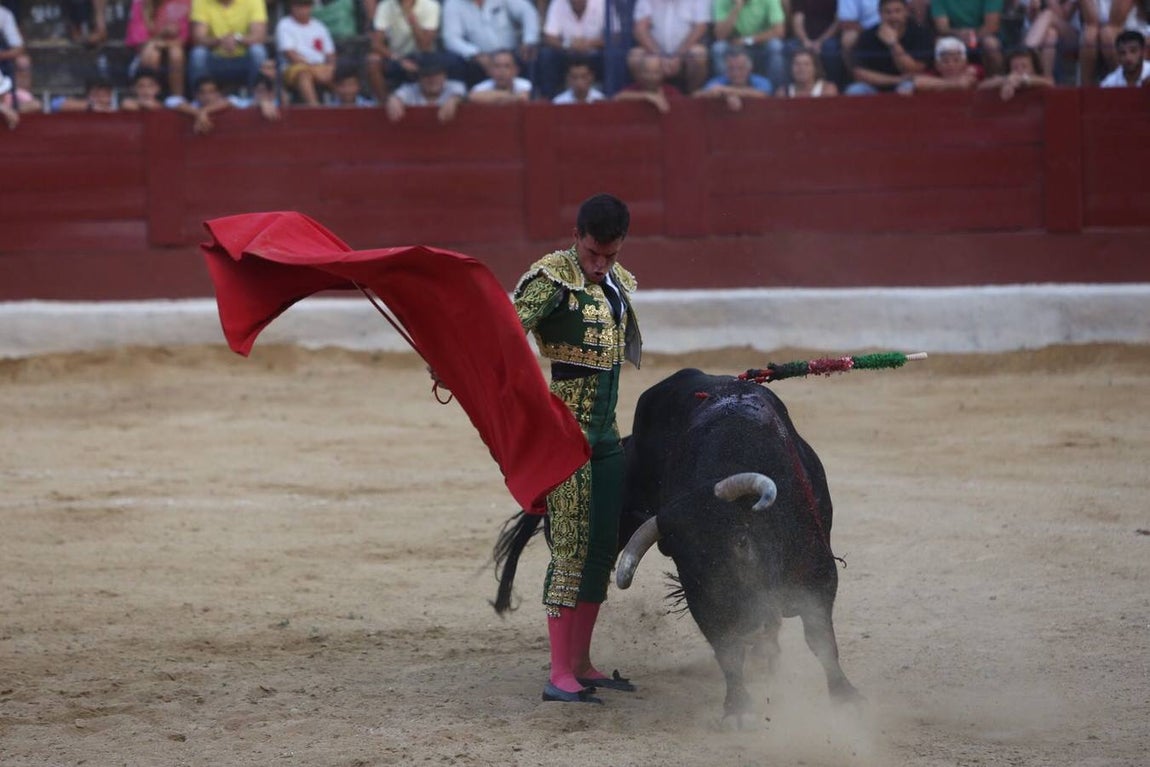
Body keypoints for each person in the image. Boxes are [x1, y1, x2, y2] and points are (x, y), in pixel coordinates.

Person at [511, 193, 640, 704]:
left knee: (600, 550)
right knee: (568, 550)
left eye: (609, 255)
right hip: (564, 437)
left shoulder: (619, 284)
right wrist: (460, 364)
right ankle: (558, 672)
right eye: (592, 254)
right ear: (576, 236)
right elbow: (503, 330)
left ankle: (583, 662)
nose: (599, 264)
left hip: (606, 437)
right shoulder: (551, 279)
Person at [441, 0, 541, 87]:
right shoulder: (452, 4)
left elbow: (528, 12)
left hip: (512, 52)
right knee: (454, 61)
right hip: (478, 57)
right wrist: (475, 54)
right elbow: (451, 39)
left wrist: (529, 41)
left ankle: (536, 98)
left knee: (534, 55)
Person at [846, 0, 933, 94]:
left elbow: (914, 70)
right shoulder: (868, 36)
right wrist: (897, 80)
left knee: (908, 88)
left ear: (906, 12)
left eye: (898, 11)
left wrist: (893, 44)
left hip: (907, 85)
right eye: (888, 12)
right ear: (880, 14)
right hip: (876, 85)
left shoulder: (920, 34)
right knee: (855, 90)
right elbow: (859, 73)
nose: (893, 17)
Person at [365, 0, 441, 103]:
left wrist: (411, 18)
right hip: (396, 56)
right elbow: (376, 43)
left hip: (424, 57)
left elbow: (424, 46)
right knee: (373, 61)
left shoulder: (431, 5)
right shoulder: (385, 6)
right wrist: (398, 59)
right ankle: (385, 104)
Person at [628, 0, 710, 94]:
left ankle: (693, 98)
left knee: (699, 54)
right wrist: (660, 56)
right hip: (654, 53)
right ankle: (646, 97)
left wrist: (679, 55)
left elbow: (700, 28)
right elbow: (640, 29)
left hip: (685, 53)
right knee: (635, 56)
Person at [188, 0, 269, 91]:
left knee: (258, 51)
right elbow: (198, 38)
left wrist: (237, 39)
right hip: (214, 58)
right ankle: (199, 100)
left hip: (244, 58)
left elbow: (260, 36)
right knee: (198, 53)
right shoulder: (201, 1)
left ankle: (255, 98)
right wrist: (219, 41)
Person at [536, 0, 607, 99]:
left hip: (594, 52)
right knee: (546, 55)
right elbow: (549, 36)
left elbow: (615, 35)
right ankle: (549, 100)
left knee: (612, 57)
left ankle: (610, 99)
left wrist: (589, 43)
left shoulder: (601, 3)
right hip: (568, 52)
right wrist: (568, 45)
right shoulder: (558, 3)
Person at [710, 0, 787, 89]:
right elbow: (720, 35)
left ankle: (776, 91)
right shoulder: (722, 1)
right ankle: (724, 89)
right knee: (718, 48)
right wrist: (737, 7)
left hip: (760, 44)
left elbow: (779, 31)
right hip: (734, 46)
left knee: (776, 46)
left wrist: (747, 40)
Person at [124, 0, 191, 99]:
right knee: (152, 52)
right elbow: (139, 41)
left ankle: (177, 98)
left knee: (176, 53)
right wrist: (161, 35)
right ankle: (150, 97)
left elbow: (184, 37)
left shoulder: (182, 2)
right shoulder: (139, 3)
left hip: (176, 49)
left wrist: (164, 43)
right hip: (144, 52)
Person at [275, 0, 337, 105]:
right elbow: (290, 54)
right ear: (292, 7)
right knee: (304, 75)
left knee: (338, 73)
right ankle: (315, 110)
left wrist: (331, 67)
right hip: (294, 67)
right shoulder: (284, 24)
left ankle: (340, 108)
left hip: (321, 67)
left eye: (306, 5)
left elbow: (330, 54)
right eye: (299, 5)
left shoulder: (319, 26)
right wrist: (314, 69)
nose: (302, 9)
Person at [385, 51, 466, 122]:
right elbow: (396, 96)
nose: (432, 79)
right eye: (427, 75)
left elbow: (462, 94)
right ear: (419, 77)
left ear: (444, 76)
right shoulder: (410, 90)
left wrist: (454, 100)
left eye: (436, 74)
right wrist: (393, 100)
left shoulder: (454, 87)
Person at [931, 0, 1006, 75]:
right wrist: (960, 34)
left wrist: (972, 36)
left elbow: (991, 27)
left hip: (984, 35)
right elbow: (942, 27)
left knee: (991, 44)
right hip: (954, 36)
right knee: (942, 45)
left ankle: (997, 79)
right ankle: (951, 84)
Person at [695, 46, 773, 109]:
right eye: (731, 68)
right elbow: (698, 95)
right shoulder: (719, 80)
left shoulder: (761, 81)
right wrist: (723, 96)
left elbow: (763, 94)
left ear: (749, 68)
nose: (736, 73)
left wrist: (726, 91)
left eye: (740, 68)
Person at [787, 0, 844, 86]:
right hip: (804, 39)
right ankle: (790, 89)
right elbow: (797, 21)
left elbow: (837, 23)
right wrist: (805, 41)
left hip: (827, 39)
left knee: (831, 47)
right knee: (790, 46)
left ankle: (834, 85)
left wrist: (820, 42)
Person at [906, 34, 982, 90]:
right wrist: (955, 84)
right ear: (937, 65)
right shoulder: (932, 74)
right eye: (945, 61)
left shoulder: (974, 70)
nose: (951, 64)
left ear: (965, 63)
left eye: (956, 60)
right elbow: (915, 82)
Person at [614, 50, 683, 111]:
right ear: (640, 74)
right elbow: (617, 98)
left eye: (656, 72)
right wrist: (646, 96)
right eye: (647, 72)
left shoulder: (671, 91)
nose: (651, 77)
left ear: (662, 74)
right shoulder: (634, 89)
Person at [976, 45, 1054, 96]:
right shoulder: (1007, 79)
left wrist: (1022, 80)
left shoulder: (1041, 80)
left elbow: (1049, 82)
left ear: (1034, 68)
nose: (1019, 70)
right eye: (1015, 67)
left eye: (1024, 66)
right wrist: (1006, 80)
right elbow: (981, 86)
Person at [468, 48, 533, 101]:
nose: (502, 71)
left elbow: (523, 97)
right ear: (489, 71)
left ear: (516, 70)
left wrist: (493, 97)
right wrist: (510, 96)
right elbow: (473, 96)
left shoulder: (524, 84)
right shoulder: (481, 87)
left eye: (507, 66)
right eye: (497, 66)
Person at [50, 73, 119, 111]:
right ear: (88, 94)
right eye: (95, 95)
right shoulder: (83, 106)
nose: (99, 99)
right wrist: (91, 107)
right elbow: (55, 104)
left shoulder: (117, 108)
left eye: (104, 95)